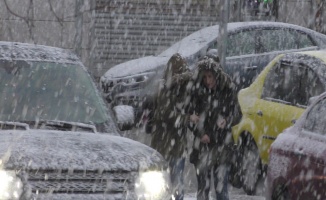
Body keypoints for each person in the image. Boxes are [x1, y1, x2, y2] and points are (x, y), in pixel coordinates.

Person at [143, 53, 192, 200]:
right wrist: (187, 118)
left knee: (175, 185)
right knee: (164, 185)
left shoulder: (182, 88)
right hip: (166, 146)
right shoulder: (165, 88)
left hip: (174, 146)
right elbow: (166, 115)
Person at [189, 57, 238, 200]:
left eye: (210, 76)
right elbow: (191, 118)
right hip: (203, 148)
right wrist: (201, 133)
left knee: (221, 190)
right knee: (203, 189)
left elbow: (237, 113)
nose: (207, 81)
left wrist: (227, 121)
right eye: (204, 77)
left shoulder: (228, 89)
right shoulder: (198, 92)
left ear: (216, 75)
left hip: (222, 146)